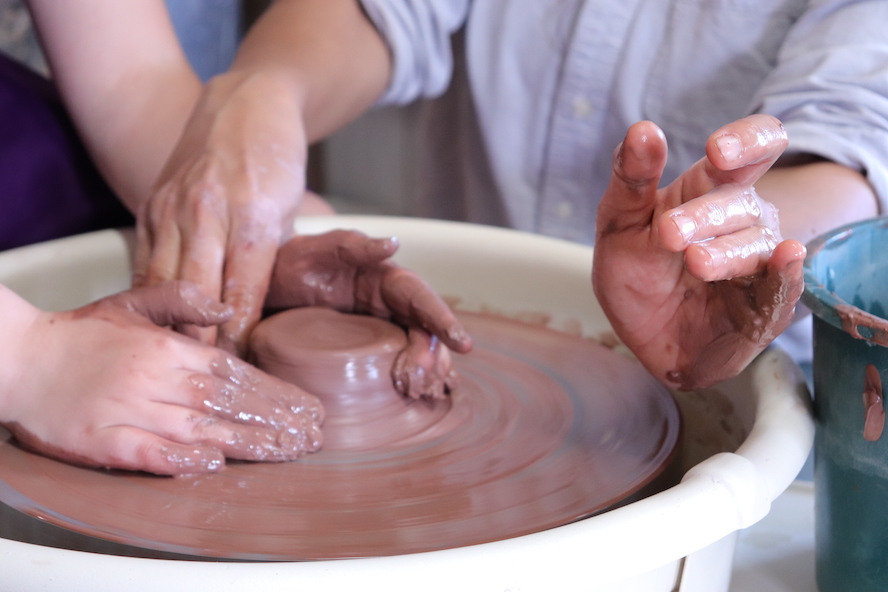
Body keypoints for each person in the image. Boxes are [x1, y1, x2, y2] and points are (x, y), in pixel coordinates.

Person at [28, 2, 887, 387]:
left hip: (769, 385)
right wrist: (267, 89)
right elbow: (373, 10)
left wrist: (729, 240)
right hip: (474, 351)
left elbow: (855, 160)